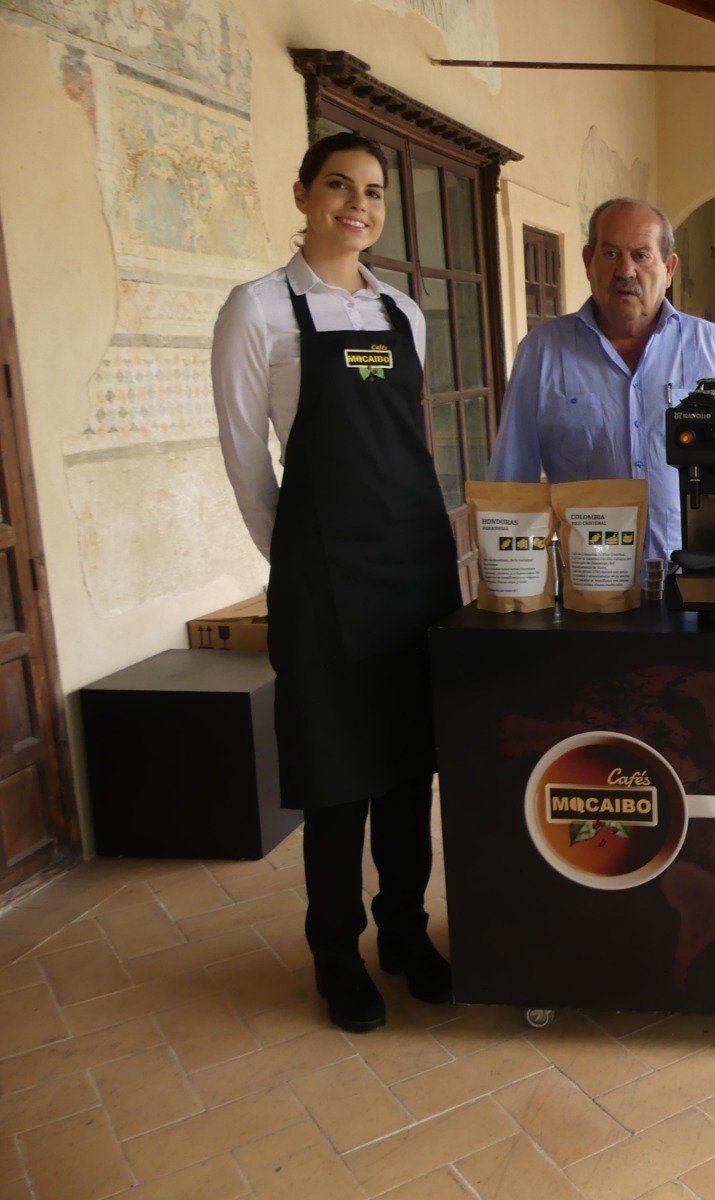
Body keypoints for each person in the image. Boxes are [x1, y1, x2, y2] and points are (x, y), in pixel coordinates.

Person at [212, 132, 458, 1033]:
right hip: (324, 584)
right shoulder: (259, 310)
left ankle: (404, 933)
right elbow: (247, 462)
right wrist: (302, 564)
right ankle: (335, 956)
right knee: (338, 777)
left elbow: (405, 446)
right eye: (339, 187)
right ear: (304, 193)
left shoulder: (404, 313)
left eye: (372, 193)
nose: (358, 205)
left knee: (406, 774)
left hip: (414, 571)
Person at [488, 197, 715, 563]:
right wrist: (513, 584)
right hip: (591, 584)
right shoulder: (542, 352)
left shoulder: (714, 349)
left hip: (699, 577)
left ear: (669, 268)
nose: (625, 271)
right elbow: (512, 481)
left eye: (641, 255)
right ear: (587, 261)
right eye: (610, 254)